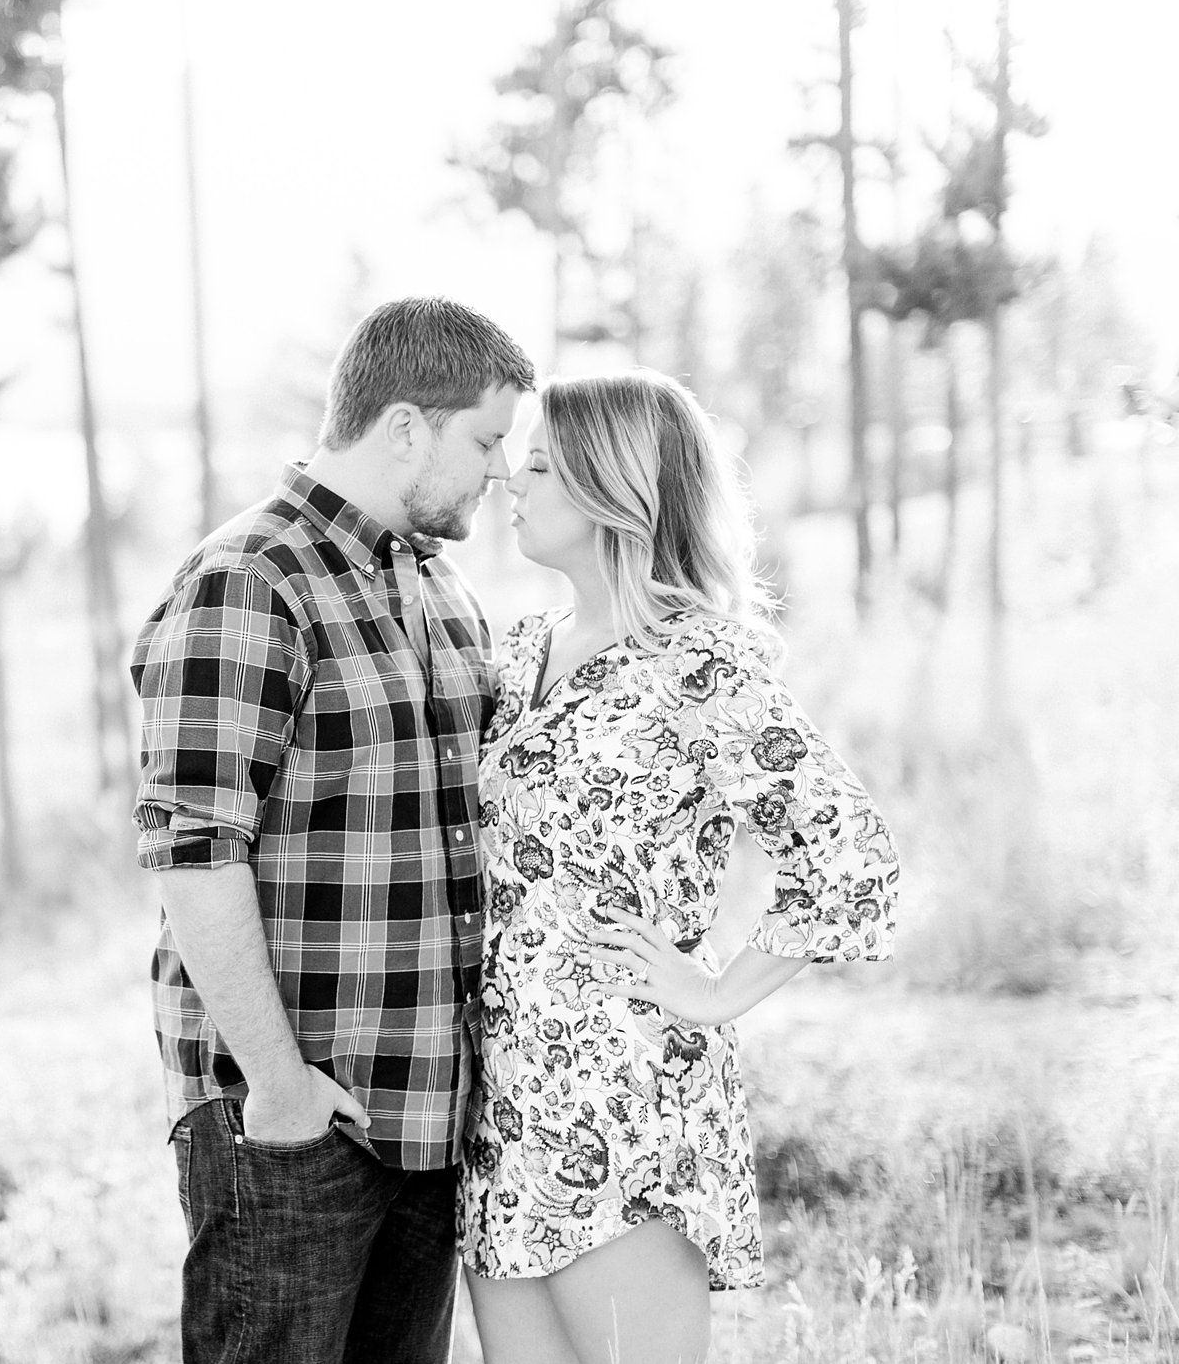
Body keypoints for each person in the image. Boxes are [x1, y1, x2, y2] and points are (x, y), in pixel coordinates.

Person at [459, 369, 901, 1364]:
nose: (509, 484)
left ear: (610, 487)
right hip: (504, 1102)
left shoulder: (695, 659)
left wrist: (712, 992)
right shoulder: (520, 649)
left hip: (625, 1096)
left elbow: (846, 857)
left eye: (536, 465)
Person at [129, 296, 535, 1363]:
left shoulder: (441, 592)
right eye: (484, 441)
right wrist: (275, 1083)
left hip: (427, 1114)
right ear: (404, 426)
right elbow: (191, 848)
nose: (499, 473)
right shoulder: (247, 581)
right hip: (296, 1118)